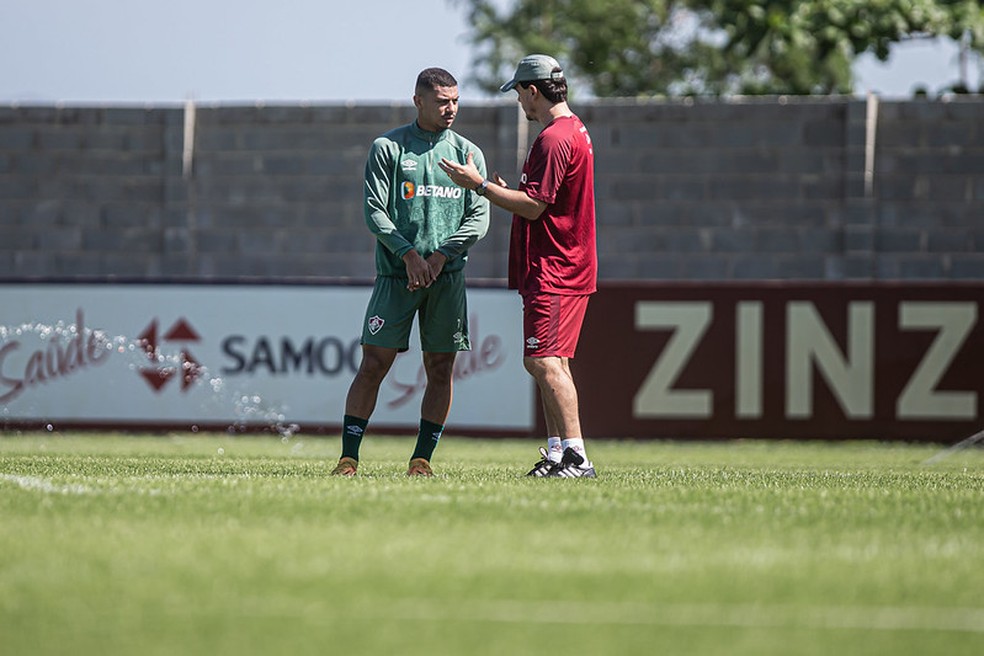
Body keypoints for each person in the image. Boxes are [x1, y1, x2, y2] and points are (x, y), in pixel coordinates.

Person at [439, 54, 598, 478]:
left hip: (557, 265)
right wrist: (509, 192)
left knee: (544, 362)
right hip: (561, 263)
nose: (520, 102)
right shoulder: (572, 129)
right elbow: (542, 200)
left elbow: (533, 207)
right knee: (550, 362)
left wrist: (479, 185)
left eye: (520, 93)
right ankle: (557, 453)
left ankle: (577, 458)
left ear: (532, 90)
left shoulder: (554, 138)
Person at [332, 67, 490, 477]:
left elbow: (479, 219)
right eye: (441, 102)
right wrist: (407, 255)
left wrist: (441, 256)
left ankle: (422, 460)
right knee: (373, 364)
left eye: (455, 101)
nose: (450, 108)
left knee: (440, 368)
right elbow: (374, 211)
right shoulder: (388, 147)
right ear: (418, 101)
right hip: (396, 278)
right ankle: (348, 458)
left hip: (446, 279)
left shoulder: (468, 154)